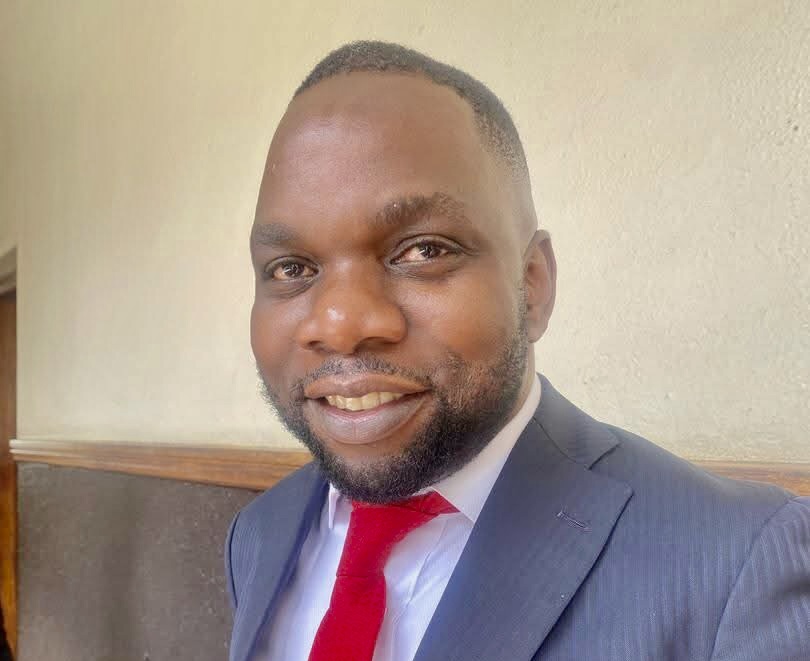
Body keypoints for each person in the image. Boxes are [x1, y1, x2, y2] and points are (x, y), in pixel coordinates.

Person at [226, 41, 810, 661]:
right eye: (291, 268)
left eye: (423, 251)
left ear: (532, 284)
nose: (341, 326)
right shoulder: (258, 533)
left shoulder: (736, 567)